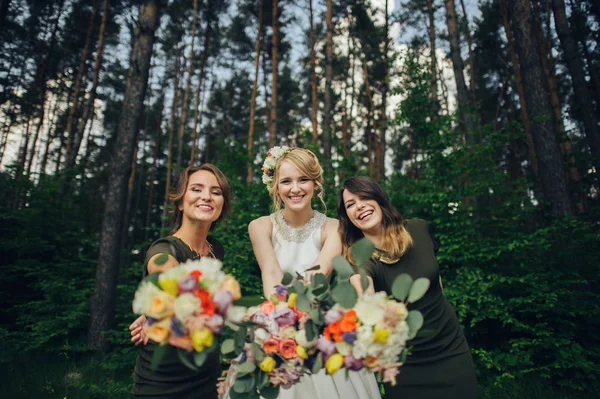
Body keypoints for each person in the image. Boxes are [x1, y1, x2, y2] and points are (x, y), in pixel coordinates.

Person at [244, 147, 381, 399]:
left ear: (315, 183)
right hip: (276, 318)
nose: (295, 189)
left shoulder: (334, 228)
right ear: (275, 186)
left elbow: (315, 275)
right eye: (286, 181)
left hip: (319, 323)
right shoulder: (260, 226)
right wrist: (282, 323)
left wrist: (304, 325)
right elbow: (272, 273)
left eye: (303, 179)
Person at [338, 176, 478, 399]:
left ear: (378, 198)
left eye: (364, 197)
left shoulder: (419, 228)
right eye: (350, 205)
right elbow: (365, 295)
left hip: (451, 347)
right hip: (407, 363)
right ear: (347, 217)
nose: (359, 206)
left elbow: (435, 279)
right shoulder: (360, 261)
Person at [129, 164, 232, 399]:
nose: (207, 196)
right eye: (197, 189)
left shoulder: (216, 249)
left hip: (207, 377)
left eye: (216, 192)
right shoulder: (164, 250)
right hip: (164, 383)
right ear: (180, 201)